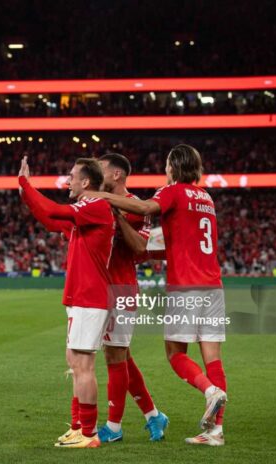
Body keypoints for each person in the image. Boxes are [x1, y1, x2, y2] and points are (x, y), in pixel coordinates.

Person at [90, 144, 228, 446]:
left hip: (186, 286)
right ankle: (215, 431)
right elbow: (181, 242)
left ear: (174, 166)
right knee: (213, 359)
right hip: (214, 286)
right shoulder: (206, 198)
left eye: (167, 163)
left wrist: (102, 196)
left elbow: (142, 207)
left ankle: (210, 391)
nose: (165, 168)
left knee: (176, 354)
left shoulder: (173, 191)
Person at [18, 156, 114, 448]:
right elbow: (49, 219)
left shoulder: (94, 206)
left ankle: (89, 434)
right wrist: (27, 194)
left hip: (90, 296)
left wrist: (25, 183)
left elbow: (54, 209)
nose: (67, 180)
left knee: (83, 365)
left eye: (72, 176)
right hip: (82, 296)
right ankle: (78, 426)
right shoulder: (83, 216)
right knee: (75, 362)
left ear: (85, 182)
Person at [95, 153, 169, 443]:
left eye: (100, 169)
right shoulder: (98, 203)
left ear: (116, 175)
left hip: (123, 288)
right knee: (121, 355)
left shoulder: (137, 208)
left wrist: (115, 215)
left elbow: (141, 249)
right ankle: (153, 416)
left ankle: (113, 428)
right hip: (100, 286)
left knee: (116, 356)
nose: (95, 172)